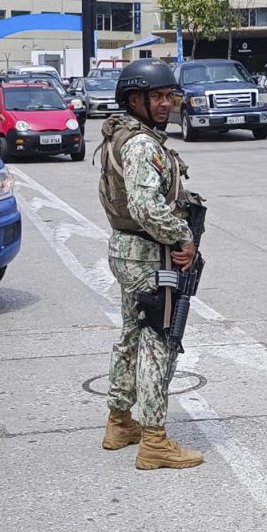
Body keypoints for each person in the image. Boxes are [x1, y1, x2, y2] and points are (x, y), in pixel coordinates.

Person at [97, 58, 204, 470]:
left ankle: (119, 421)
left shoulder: (122, 135)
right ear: (134, 99)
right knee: (159, 340)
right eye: (156, 97)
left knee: (130, 335)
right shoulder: (141, 144)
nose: (165, 104)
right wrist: (182, 236)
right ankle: (155, 441)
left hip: (127, 249)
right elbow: (145, 206)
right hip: (147, 253)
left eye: (168, 96)